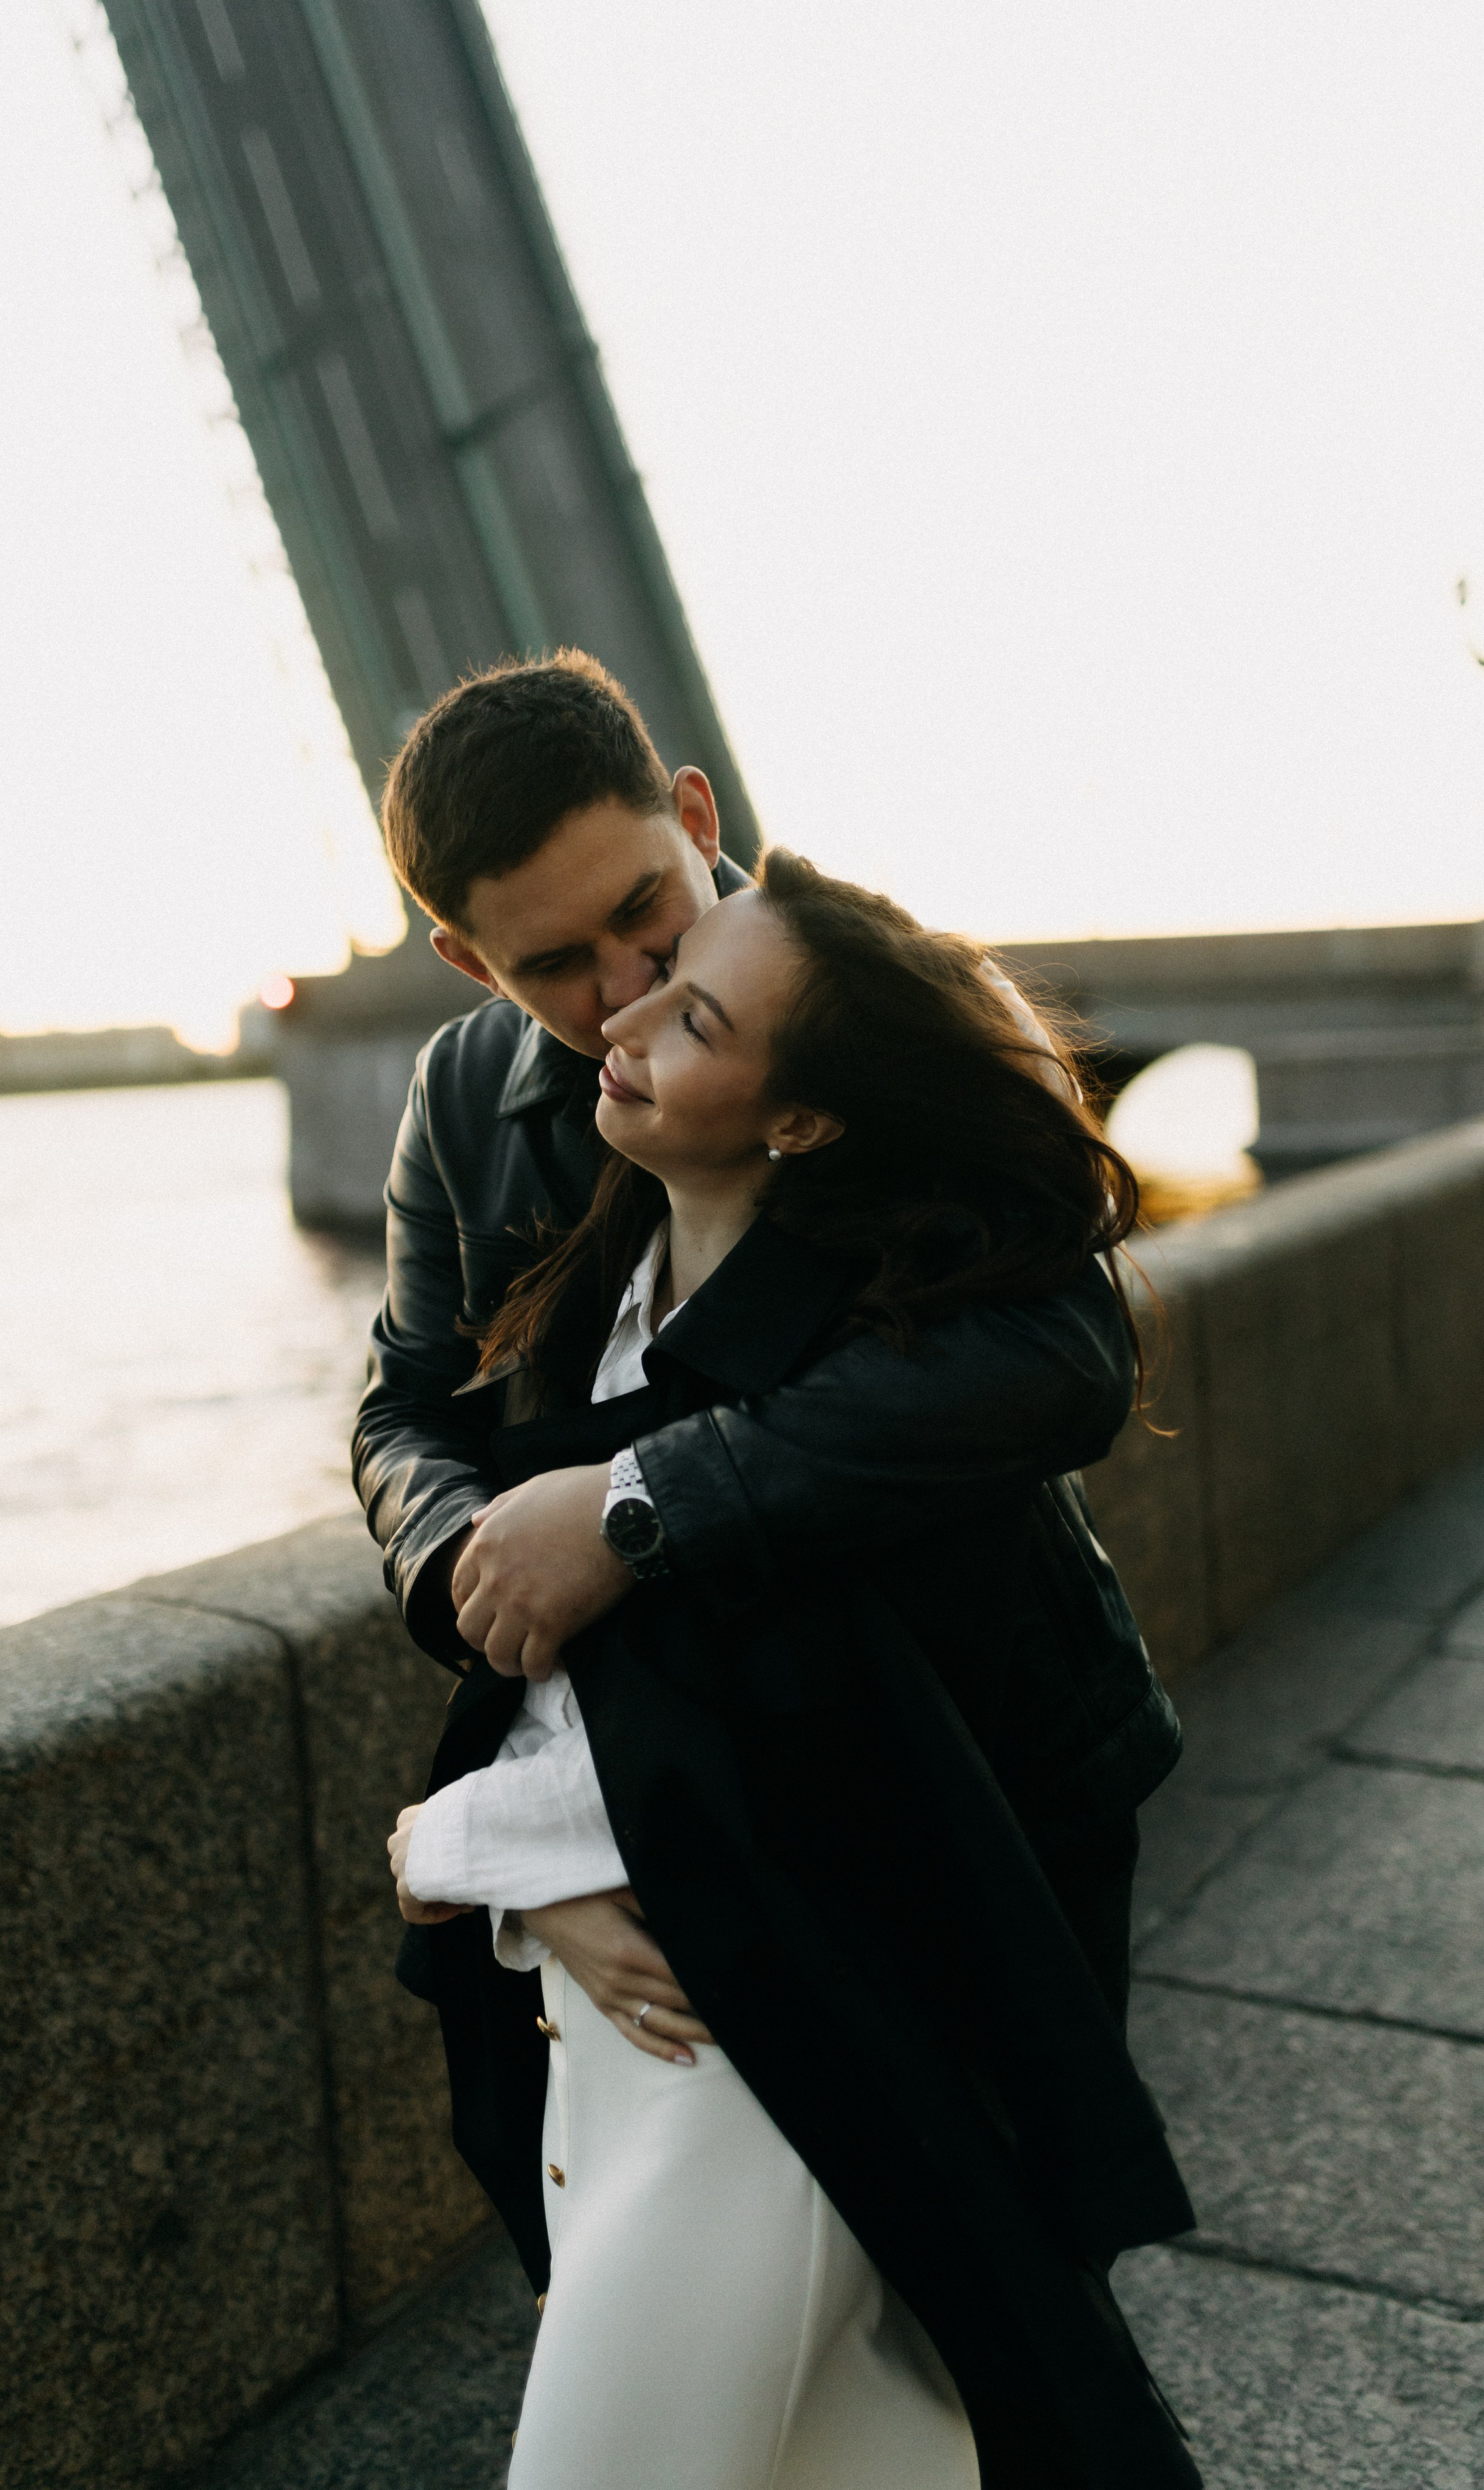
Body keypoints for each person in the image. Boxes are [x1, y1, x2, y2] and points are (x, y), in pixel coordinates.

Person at [383, 851, 1198, 2488]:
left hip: (774, 2076)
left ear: (803, 1120)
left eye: (683, 1003)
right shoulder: (607, 1285)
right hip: (640, 2052)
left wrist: (458, 1849)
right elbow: (423, 1443)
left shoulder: (842, 1393)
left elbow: (760, 1784)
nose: (623, 1011)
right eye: (586, 974)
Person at [356, 650, 1176, 2064]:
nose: (622, 988)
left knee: (1007, 2222)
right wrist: (474, 1570)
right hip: (675, 1780)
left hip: (980, 1752)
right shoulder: (461, 1097)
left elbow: (1061, 1349)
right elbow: (404, 1413)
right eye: (550, 964)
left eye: (641, 912)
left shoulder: (875, 997)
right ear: (465, 964)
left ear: (692, 811)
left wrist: (641, 1507)